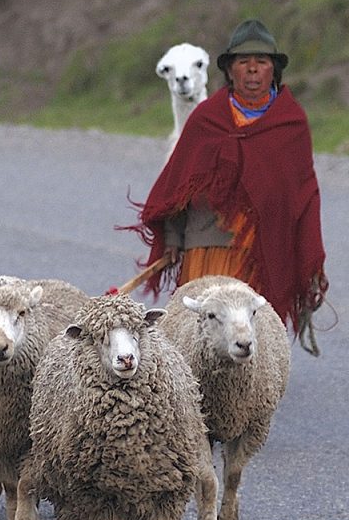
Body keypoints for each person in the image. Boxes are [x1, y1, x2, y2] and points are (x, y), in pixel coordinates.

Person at [125, 19, 328, 353]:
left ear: (273, 70)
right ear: (229, 71)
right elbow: (178, 186)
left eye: (261, 62)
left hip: (261, 253)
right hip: (205, 250)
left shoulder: (290, 124)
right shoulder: (207, 120)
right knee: (199, 342)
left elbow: (304, 197)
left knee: (250, 347)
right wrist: (173, 239)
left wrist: (308, 258)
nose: (252, 70)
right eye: (243, 63)